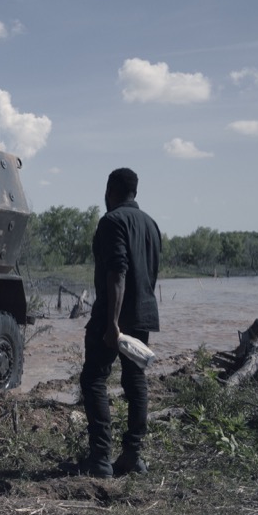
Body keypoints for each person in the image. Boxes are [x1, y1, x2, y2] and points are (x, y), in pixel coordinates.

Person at [78, 168, 161, 478]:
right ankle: (132, 456)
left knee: (94, 379)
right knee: (135, 381)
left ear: (110, 190)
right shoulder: (151, 224)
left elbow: (117, 271)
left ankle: (100, 458)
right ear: (134, 193)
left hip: (114, 316)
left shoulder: (112, 222)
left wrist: (112, 323)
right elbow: (149, 274)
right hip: (143, 314)